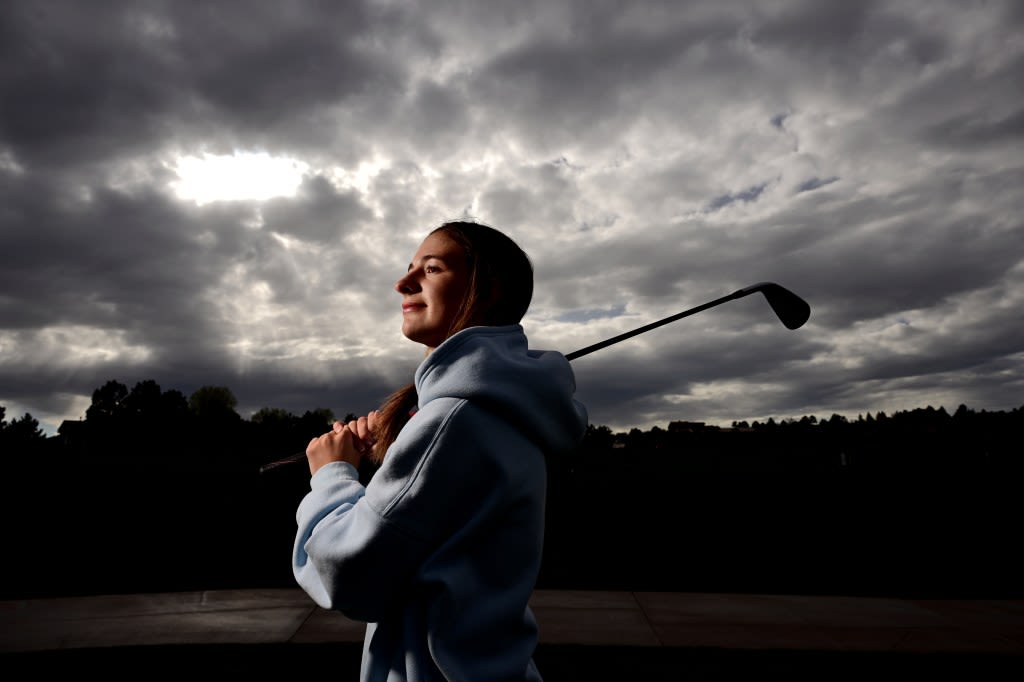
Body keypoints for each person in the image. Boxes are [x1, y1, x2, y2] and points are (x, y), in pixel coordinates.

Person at [292, 220, 588, 681]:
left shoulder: (453, 421)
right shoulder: (490, 415)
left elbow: (349, 577)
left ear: (485, 291)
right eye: (410, 268)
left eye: (431, 269)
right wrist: (399, 452)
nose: (402, 282)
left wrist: (332, 474)